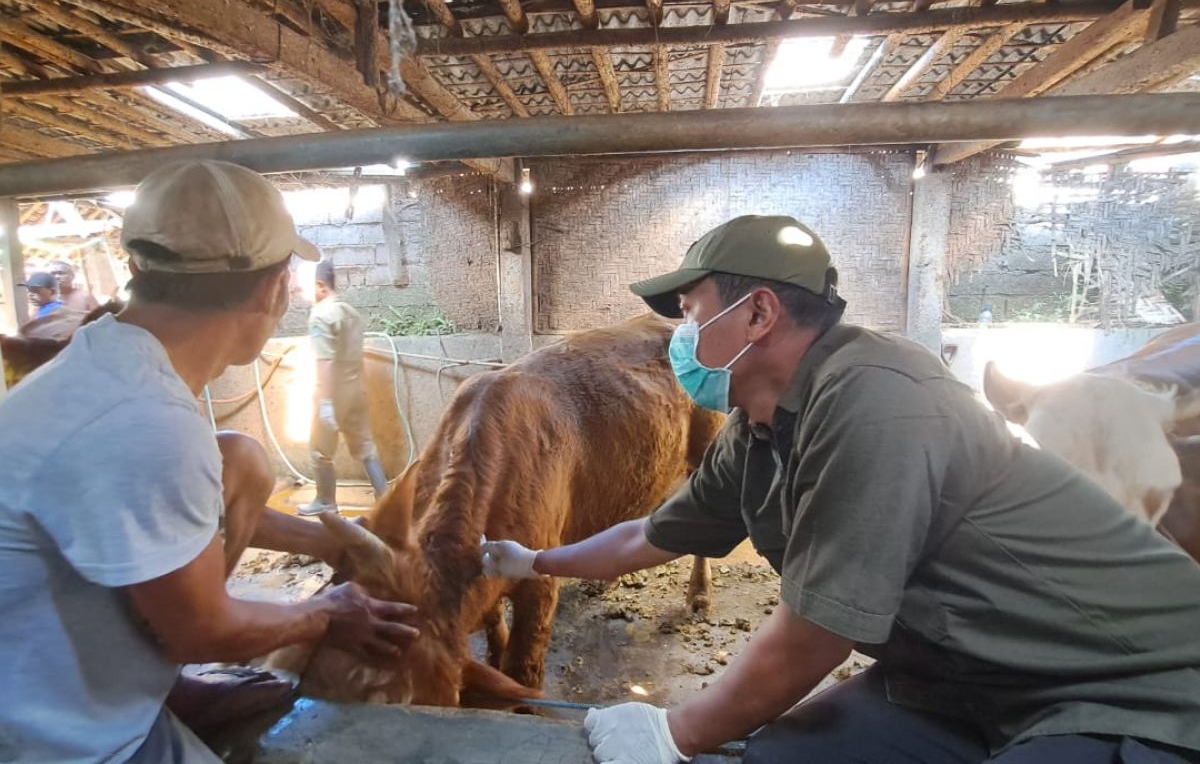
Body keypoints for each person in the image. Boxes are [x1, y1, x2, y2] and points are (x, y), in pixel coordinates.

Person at [481, 214, 1200, 764]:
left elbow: (820, 630)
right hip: (953, 679)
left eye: (692, 312)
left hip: (1123, 685)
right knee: (784, 755)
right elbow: (648, 536)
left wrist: (675, 730)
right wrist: (532, 561)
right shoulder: (758, 431)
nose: (680, 335)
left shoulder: (877, 397)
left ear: (757, 315)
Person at [0, 160, 419, 764]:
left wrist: (332, 544)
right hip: (57, 736)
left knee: (239, 457)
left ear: (137, 266)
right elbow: (203, 632)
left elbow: (172, 517)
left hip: (45, 672)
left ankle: (165, 688)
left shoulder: (108, 361)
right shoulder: (148, 421)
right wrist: (323, 613)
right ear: (274, 288)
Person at [296, 257, 388, 516]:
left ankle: (326, 501)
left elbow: (325, 361)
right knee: (366, 448)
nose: (301, 293)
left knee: (319, 452)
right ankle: (385, 500)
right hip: (356, 390)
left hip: (333, 393)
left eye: (304, 288)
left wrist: (325, 403)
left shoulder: (320, 316)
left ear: (320, 286)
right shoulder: (349, 312)